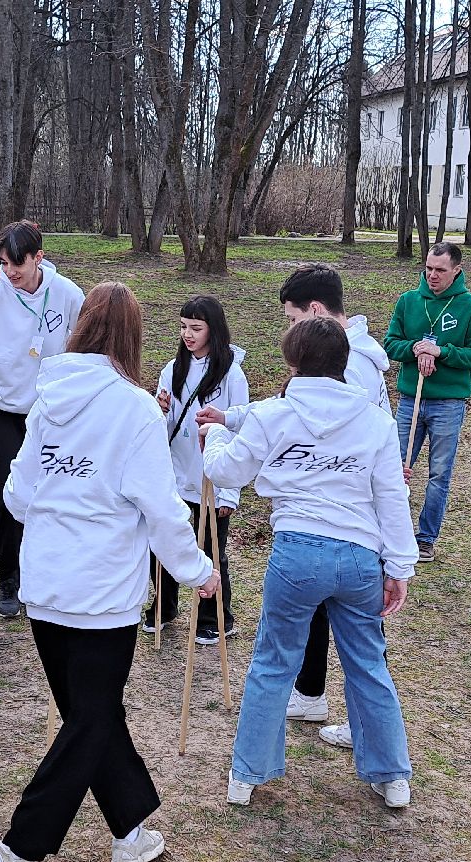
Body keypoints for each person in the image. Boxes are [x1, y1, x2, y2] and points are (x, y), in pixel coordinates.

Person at [0, 282, 217, 862]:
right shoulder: (134, 409)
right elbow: (161, 509)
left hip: (46, 582)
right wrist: (197, 570)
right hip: (102, 590)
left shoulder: (47, 398)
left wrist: (63, 501)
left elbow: (18, 495)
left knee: (93, 713)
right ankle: (20, 847)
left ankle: (130, 832)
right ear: (131, 338)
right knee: (88, 720)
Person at [202, 317, 417, 810]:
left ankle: (245, 775)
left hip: (297, 554)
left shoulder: (274, 414)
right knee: (368, 664)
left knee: (273, 662)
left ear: (294, 362)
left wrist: (213, 436)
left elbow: (225, 469)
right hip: (360, 557)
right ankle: (392, 775)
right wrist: (399, 567)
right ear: (344, 362)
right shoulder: (376, 421)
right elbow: (391, 496)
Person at [197, 265, 393, 737]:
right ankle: (310, 692)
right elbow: (287, 406)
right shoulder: (337, 353)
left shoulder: (353, 363)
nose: (288, 329)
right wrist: (232, 418)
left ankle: (364, 725)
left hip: (343, 515)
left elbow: (314, 420)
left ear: (316, 311)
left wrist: (229, 435)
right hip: (335, 517)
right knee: (324, 612)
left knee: (360, 642)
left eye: (291, 319)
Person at [0, 221, 86, 619]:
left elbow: (87, 346)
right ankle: (9, 578)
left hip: (53, 414)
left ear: (38, 257)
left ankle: (48, 574)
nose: (9, 272)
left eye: (16, 264)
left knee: (54, 495)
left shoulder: (67, 294)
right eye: (3, 263)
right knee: (9, 496)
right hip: (3, 411)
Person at [147, 295, 249, 645]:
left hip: (213, 476)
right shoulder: (172, 369)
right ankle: (163, 607)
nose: (187, 335)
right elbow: (164, 430)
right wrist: (161, 410)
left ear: (213, 330)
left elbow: (240, 430)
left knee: (210, 548)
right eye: (183, 327)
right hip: (176, 473)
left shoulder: (232, 373)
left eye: (196, 328)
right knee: (165, 541)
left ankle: (215, 617)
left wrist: (230, 491)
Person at [383, 241, 471, 561]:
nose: (432, 275)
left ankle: (425, 539)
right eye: (428, 268)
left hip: (448, 403)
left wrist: (441, 352)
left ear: (456, 270)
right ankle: (391, 534)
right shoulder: (408, 301)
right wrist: (416, 349)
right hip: (410, 400)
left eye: (440, 270)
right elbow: (390, 344)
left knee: (439, 474)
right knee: (394, 468)